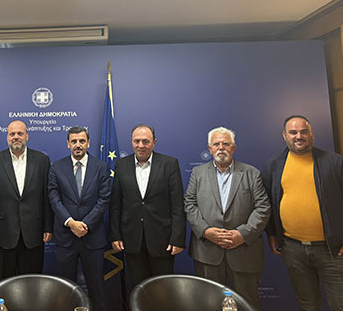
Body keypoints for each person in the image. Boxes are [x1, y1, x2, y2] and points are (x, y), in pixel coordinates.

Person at [184, 127, 270, 309]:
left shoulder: (252, 173)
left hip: (244, 252)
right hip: (207, 252)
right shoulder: (198, 173)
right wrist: (206, 231)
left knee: (247, 304)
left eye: (226, 144)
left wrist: (242, 234)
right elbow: (189, 204)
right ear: (210, 149)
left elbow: (263, 208)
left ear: (234, 148)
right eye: (216, 144)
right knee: (208, 304)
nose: (221, 147)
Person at [264, 115, 343, 311]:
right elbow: (269, 203)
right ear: (284, 136)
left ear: (311, 134)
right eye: (293, 132)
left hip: (332, 249)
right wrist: (272, 233)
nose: (299, 136)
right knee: (307, 304)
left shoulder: (334, 162)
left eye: (303, 131)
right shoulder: (274, 165)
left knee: (339, 303)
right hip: (293, 249)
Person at [109, 124, 186, 289]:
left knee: (163, 289)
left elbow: (178, 204)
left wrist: (178, 239)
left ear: (154, 142)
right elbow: (116, 204)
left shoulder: (169, 164)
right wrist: (115, 236)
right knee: (138, 288)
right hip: (132, 240)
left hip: (162, 240)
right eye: (136, 141)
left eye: (146, 141)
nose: (141, 145)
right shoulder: (121, 165)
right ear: (131, 142)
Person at [48, 126, 111, 311]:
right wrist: (71, 223)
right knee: (66, 289)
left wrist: (85, 224)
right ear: (68, 144)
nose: (78, 145)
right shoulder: (56, 167)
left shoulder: (100, 167)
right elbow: (54, 198)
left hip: (93, 237)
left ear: (88, 143)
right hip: (65, 237)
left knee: (96, 288)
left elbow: (104, 199)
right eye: (74, 141)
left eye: (82, 141)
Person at [0, 120, 53, 281]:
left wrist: (48, 227)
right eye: (12, 134)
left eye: (20, 133)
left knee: (31, 282)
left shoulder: (42, 160)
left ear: (27, 136)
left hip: (33, 233)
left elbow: (47, 196)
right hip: (3, 233)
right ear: (7, 137)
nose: (16, 137)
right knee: (3, 282)